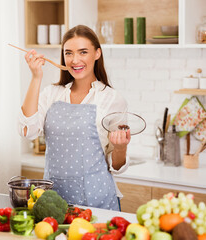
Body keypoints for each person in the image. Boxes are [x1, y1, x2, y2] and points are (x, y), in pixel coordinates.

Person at [18, 25, 130, 211]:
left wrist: (121, 147)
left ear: (97, 54)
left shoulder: (111, 99)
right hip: (54, 201)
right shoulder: (51, 94)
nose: (75, 60)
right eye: (68, 53)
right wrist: (36, 77)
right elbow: (27, 131)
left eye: (83, 52)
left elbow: (116, 165)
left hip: (97, 201)